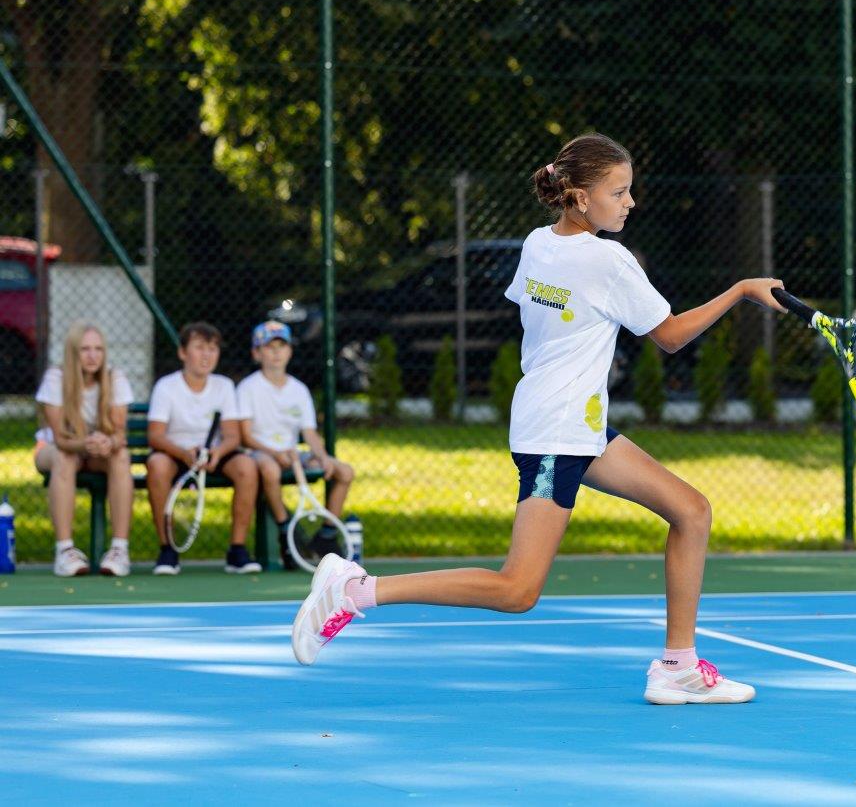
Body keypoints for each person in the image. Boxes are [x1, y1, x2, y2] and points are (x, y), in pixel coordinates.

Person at [292, 133, 784, 704]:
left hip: (573, 425)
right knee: (518, 589)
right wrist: (742, 290)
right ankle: (354, 589)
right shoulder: (608, 260)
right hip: (558, 430)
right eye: (618, 192)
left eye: (630, 191)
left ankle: (677, 665)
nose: (630, 203)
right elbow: (671, 337)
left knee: (691, 510)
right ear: (578, 197)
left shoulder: (535, 244)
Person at [237, 320, 355, 568]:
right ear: (256, 354)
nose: (277, 352)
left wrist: (322, 456)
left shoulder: (299, 390)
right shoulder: (247, 388)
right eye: (269, 347)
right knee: (268, 468)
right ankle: (285, 532)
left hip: (293, 456)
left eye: (282, 346)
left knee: (344, 471)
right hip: (259, 453)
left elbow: (309, 433)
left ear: (290, 351)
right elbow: (245, 437)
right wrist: (274, 453)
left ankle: (326, 535)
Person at [146, 321, 261, 575]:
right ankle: (167, 549)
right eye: (200, 347)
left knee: (247, 467)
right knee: (156, 466)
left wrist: (216, 453)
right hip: (175, 454)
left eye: (212, 348)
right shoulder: (166, 387)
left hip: (214, 456)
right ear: (183, 353)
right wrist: (184, 454)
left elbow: (232, 435)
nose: (207, 355)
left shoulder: (224, 386)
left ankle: (237, 550)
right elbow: (155, 436)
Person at [34, 321, 134, 577]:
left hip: (98, 451)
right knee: (65, 457)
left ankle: (119, 550)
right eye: (85, 349)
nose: (93, 356)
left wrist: (108, 443)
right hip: (57, 449)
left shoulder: (115, 378)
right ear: (73, 352)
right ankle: (65, 551)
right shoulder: (55, 379)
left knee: (121, 456)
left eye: (98, 349)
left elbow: (119, 432)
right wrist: (85, 443)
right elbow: (60, 438)